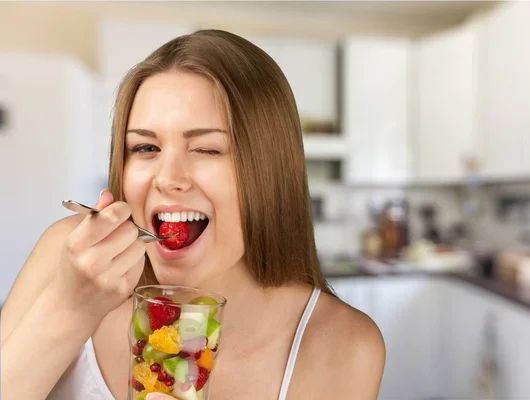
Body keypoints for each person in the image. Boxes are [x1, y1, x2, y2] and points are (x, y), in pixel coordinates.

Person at [1, 29, 385, 400]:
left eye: (207, 149)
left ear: (271, 170)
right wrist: (70, 308)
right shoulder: (67, 256)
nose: (168, 179)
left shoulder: (344, 345)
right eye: (146, 148)